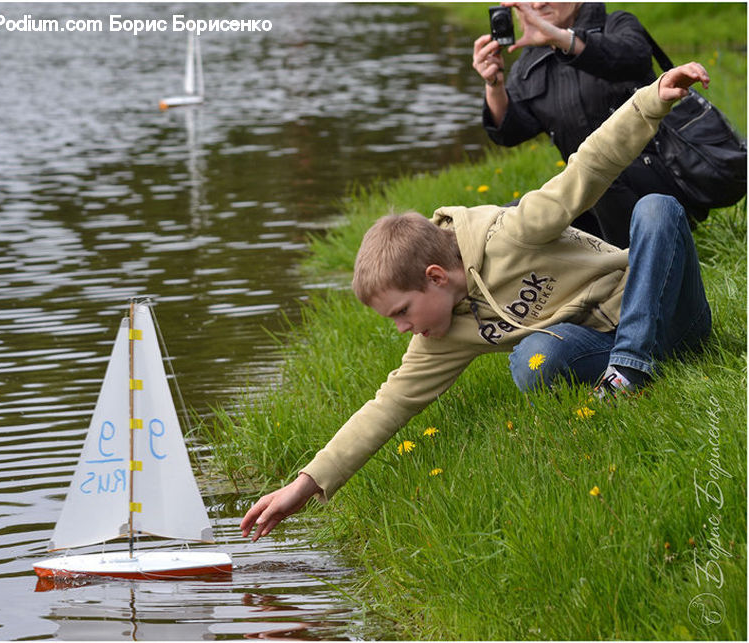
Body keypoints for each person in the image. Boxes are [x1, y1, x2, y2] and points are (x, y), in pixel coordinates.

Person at [241, 62, 712, 541]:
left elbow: (588, 167)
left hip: (670, 315)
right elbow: (387, 407)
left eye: (402, 311)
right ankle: (625, 372)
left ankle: (632, 369)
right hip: (596, 348)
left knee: (656, 209)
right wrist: (304, 485)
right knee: (532, 363)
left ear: (436, 276)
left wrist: (651, 99)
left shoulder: (515, 233)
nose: (402, 328)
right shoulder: (442, 334)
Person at [472, 2, 707, 248]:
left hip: (661, 181)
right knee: (504, 222)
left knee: (599, 173)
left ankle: (636, 263)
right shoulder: (529, 61)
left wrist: (562, 40)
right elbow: (511, 132)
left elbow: (632, 57)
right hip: (589, 196)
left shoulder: (617, 24)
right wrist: (494, 84)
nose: (539, 4)